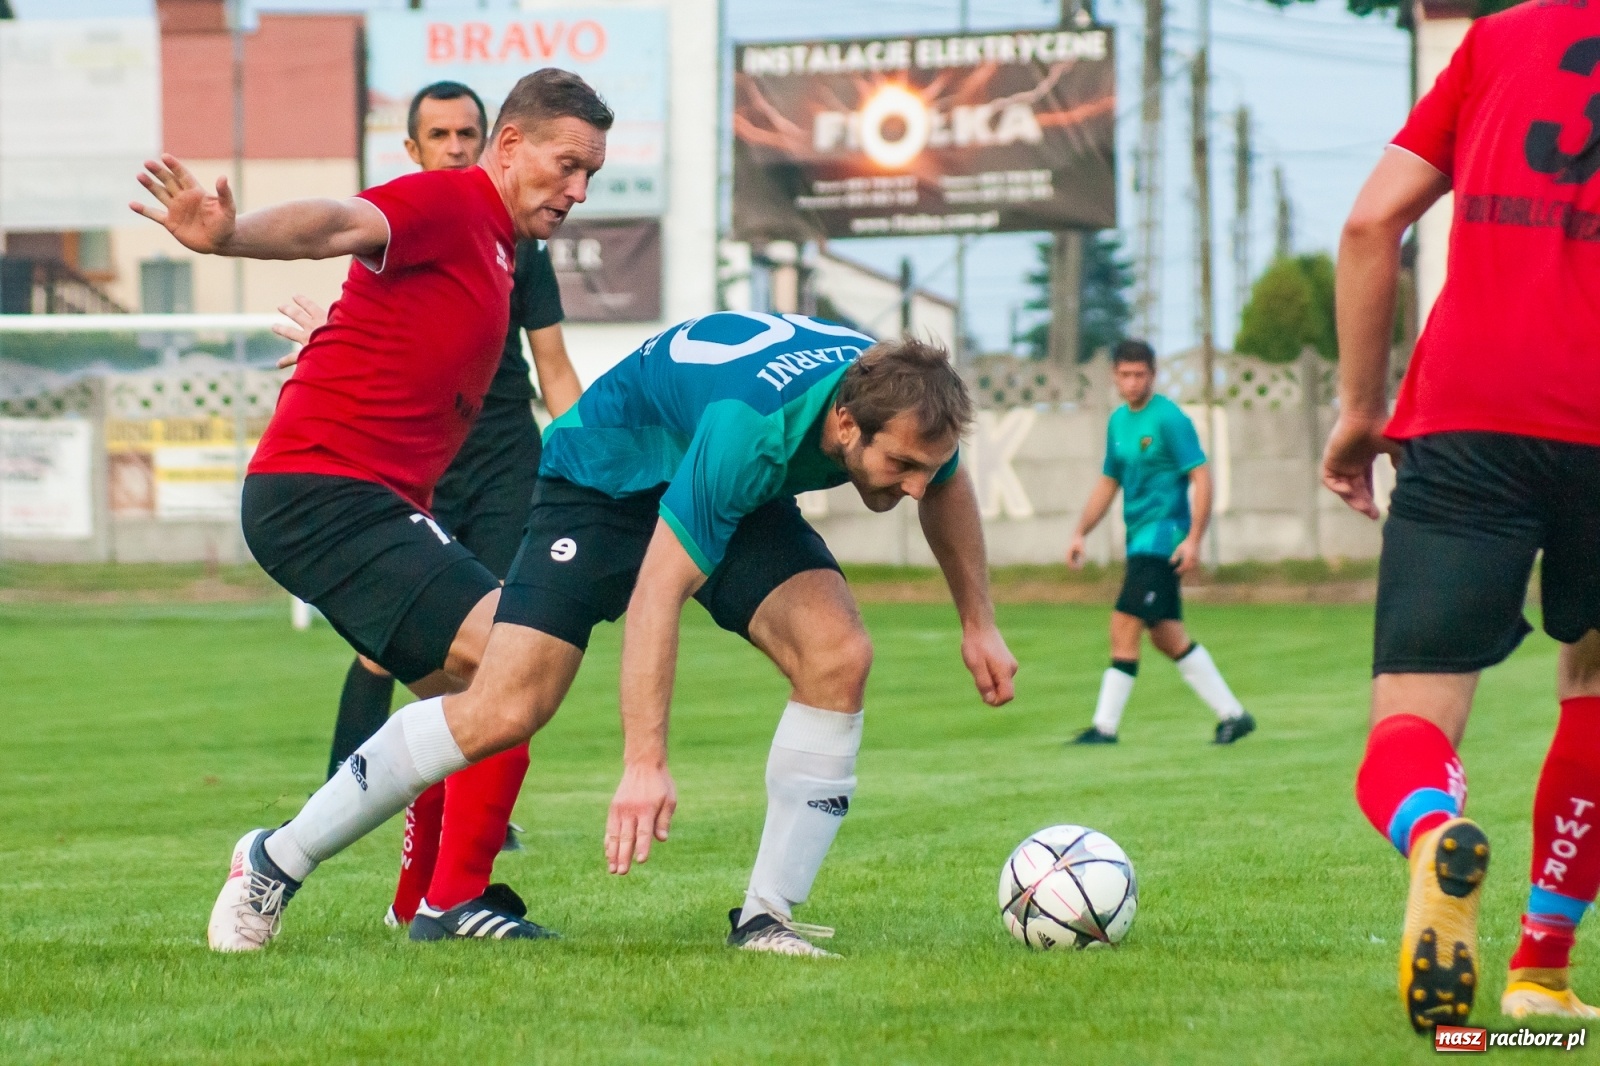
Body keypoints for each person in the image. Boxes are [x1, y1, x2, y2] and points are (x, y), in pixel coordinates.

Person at [207, 313, 1019, 956]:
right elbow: (659, 590)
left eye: (927, 466)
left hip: (714, 471)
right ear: (845, 425)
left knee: (838, 655)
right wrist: (644, 764)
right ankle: (275, 860)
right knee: (503, 707)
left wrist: (978, 623)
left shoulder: (907, 405)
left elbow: (948, 489)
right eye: (901, 468)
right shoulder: (753, 428)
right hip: (601, 482)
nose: (917, 486)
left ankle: (765, 918)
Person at [128, 68, 613, 946]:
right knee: (514, 661)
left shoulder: (503, 251)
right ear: (510, 147)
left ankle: (418, 901)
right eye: (568, 166)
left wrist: (338, 339)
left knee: (485, 705)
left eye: (592, 175)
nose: (578, 190)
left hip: (352, 499)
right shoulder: (454, 201)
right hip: (325, 494)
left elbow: (405, 333)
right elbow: (338, 223)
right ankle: (341, 876)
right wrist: (229, 236)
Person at [1325, 3, 1600, 1032]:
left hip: (1469, 410)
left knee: (1410, 717)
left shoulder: (1494, 39)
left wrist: (1361, 412)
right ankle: (1539, 969)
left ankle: (1432, 827)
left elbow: (1370, 224)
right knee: (1593, 689)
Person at [272, 80, 581, 933]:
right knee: (424, 663)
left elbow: (554, 370)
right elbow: (371, 313)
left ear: (495, 138)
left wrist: (593, 469)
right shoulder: (421, 218)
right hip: (412, 475)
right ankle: (364, 835)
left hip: (504, 469)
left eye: (465, 131)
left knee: (502, 660)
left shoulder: (521, 247)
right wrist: (325, 341)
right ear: (412, 149)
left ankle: (436, 894)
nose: (454, 145)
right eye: (439, 134)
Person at [1064, 340, 1254, 746]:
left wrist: (1194, 539)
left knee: (1123, 623)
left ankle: (1104, 727)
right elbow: (1108, 482)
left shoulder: (1169, 419)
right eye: (1125, 375)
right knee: (1167, 637)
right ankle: (1235, 716)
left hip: (1164, 540)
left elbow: (1201, 476)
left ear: (1153, 375)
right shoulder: (1118, 422)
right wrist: (1081, 532)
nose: (1133, 382)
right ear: (1114, 376)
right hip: (1138, 541)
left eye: (1140, 374)